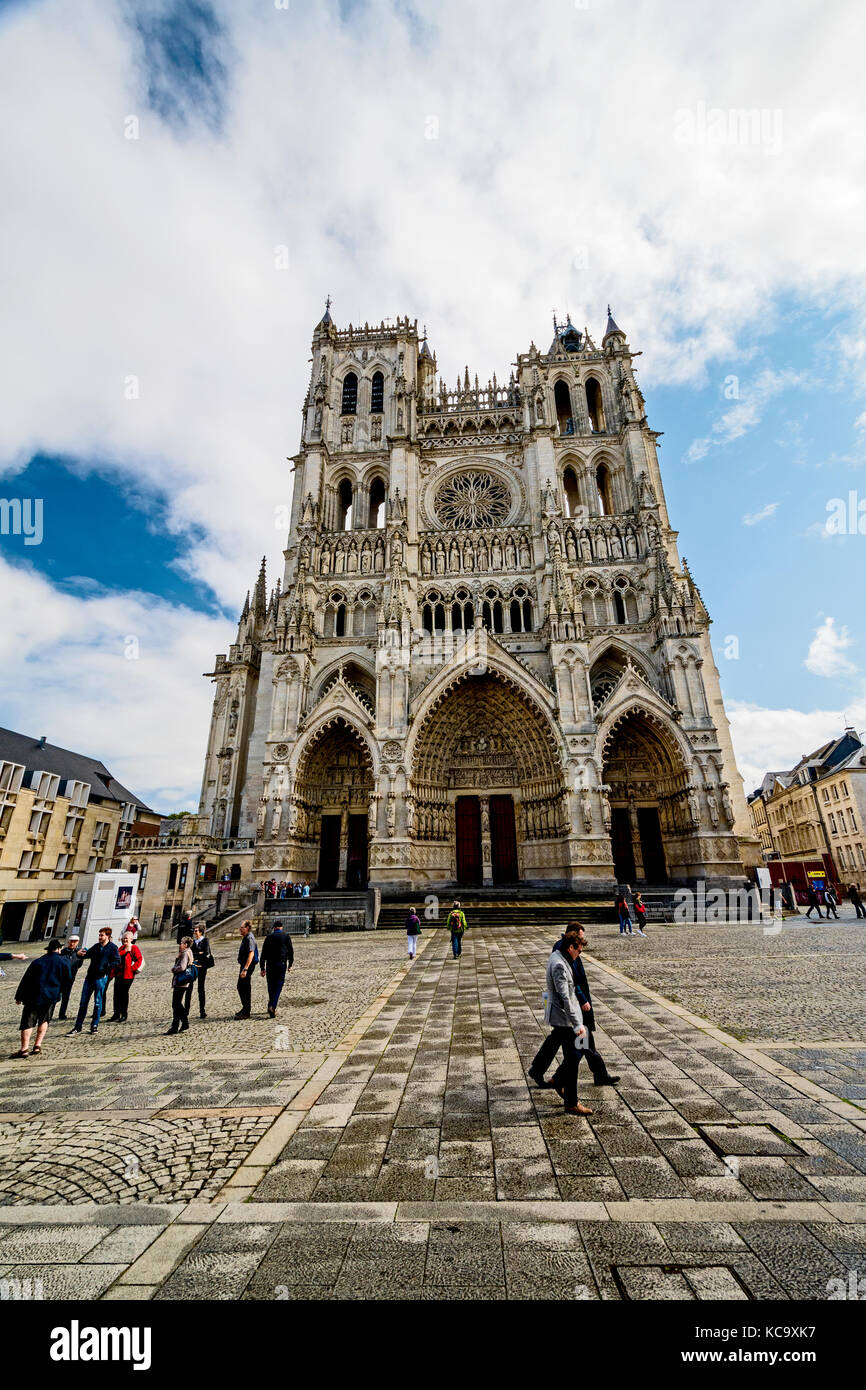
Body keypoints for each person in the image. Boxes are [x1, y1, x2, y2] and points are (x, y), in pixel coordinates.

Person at [548, 925, 620, 1091]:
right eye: (579, 948)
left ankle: (561, 1079)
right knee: (581, 1048)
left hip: (575, 1009)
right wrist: (581, 1002)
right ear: (572, 942)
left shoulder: (565, 952)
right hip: (575, 1010)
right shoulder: (563, 957)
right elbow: (570, 987)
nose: (580, 952)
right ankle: (560, 1081)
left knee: (582, 1047)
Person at [527, 929, 591, 1116]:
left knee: (575, 1055)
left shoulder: (560, 956)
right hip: (565, 1019)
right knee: (575, 1056)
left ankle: (558, 1082)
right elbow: (566, 997)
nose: (579, 955)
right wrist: (578, 1025)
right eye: (578, 950)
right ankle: (569, 1099)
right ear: (571, 947)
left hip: (565, 1018)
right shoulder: (559, 966)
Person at [13, 939, 72, 1057]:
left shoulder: (38, 962)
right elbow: (68, 980)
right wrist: (60, 991)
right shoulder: (64, 962)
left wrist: (19, 996)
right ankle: (37, 1046)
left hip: (33, 996)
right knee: (44, 1020)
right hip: (50, 996)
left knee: (27, 1023)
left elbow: (26, 980)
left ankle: (24, 1049)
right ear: (59, 949)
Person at [69, 928, 121, 1034]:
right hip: (90, 978)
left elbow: (117, 960)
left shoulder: (112, 947)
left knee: (97, 1003)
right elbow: (87, 955)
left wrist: (106, 968)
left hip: (101, 978)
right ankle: (78, 1026)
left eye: (102, 935)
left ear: (107, 936)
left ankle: (94, 1025)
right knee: (83, 1003)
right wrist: (79, 954)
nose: (100, 937)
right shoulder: (96, 947)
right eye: (99, 935)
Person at [260, 920, 293, 1018]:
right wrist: (290, 964)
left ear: (274, 928)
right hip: (281, 964)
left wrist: (262, 967)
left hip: (270, 964)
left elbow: (264, 953)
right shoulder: (286, 936)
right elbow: (291, 951)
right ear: (281, 927)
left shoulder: (269, 937)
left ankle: (270, 1005)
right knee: (279, 985)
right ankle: (272, 1006)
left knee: (271, 985)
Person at [108, 931, 143, 1022]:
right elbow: (117, 957)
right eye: (124, 938)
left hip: (128, 975)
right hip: (119, 974)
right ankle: (116, 1013)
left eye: (127, 938)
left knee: (123, 994)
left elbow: (139, 959)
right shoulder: (121, 948)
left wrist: (132, 968)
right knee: (116, 994)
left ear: (131, 939)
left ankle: (124, 1014)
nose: (125, 940)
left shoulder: (134, 948)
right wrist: (124, 951)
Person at [168, 936, 195, 1034]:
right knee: (177, 1004)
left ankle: (180, 1024)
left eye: (182, 943)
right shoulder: (189, 951)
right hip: (184, 981)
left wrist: (174, 968)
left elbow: (182, 967)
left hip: (181, 981)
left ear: (186, 945)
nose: (180, 944)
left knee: (176, 1004)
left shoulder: (184, 953)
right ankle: (182, 1024)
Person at [54, 934, 82, 1019]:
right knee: (55, 995)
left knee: (66, 997)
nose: (72, 943)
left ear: (78, 942)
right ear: (68, 942)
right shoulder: (63, 952)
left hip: (70, 978)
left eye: (75, 942)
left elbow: (79, 964)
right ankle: (49, 1012)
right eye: (71, 941)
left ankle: (62, 1014)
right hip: (59, 978)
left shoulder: (79, 953)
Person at [235, 920, 258, 1019]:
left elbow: (251, 953)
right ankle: (245, 1008)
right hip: (245, 965)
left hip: (247, 966)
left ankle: (246, 1011)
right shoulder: (246, 937)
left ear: (247, 928)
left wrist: (245, 969)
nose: (240, 929)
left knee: (243, 986)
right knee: (242, 987)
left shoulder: (250, 938)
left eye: (242, 927)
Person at [190, 925, 213, 1018]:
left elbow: (206, 952)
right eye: (194, 931)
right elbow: (191, 953)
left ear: (201, 932)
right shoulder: (193, 942)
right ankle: (187, 1010)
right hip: (194, 966)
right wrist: (199, 953)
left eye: (196, 931)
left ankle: (202, 1010)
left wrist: (198, 954)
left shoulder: (205, 940)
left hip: (203, 967)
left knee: (201, 988)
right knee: (189, 988)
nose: (195, 933)